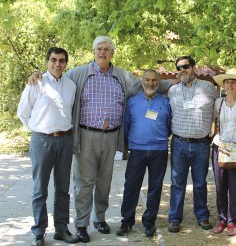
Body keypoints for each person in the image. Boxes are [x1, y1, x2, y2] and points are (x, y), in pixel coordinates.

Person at [28, 36, 172, 242]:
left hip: (111, 136)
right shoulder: (78, 74)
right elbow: (55, 78)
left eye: (107, 49)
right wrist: (37, 74)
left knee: (104, 181)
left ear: (112, 53)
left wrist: (176, 85)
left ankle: (100, 218)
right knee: (84, 181)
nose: (103, 52)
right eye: (99, 49)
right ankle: (81, 223)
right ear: (93, 52)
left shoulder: (122, 75)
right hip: (86, 135)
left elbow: (147, 84)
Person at [17, 47, 79, 246]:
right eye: (53, 60)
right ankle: (38, 231)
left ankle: (61, 229)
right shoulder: (36, 83)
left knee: (63, 188)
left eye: (61, 60)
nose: (57, 64)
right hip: (42, 141)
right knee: (39, 189)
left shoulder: (71, 85)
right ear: (47, 61)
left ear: (66, 63)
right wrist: (37, 131)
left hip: (65, 140)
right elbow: (23, 113)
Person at [116, 69, 171, 237]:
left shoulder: (166, 102)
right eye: (147, 80)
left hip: (159, 151)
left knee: (155, 188)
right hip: (137, 151)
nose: (150, 83)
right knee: (131, 186)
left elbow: (169, 126)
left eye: (154, 80)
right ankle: (127, 222)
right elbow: (126, 126)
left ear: (159, 82)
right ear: (142, 81)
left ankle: (149, 222)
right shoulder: (132, 102)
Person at [167, 56, 218, 233]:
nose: (183, 70)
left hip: (202, 144)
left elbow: (218, 110)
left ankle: (202, 216)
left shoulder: (208, 87)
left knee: (200, 183)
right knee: (177, 182)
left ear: (193, 67)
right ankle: (174, 218)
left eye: (186, 66)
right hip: (179, 143)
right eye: (179, 68)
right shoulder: (172, 90)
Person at [211, 68, 236, 236]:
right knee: (221, 186)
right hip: (220, 148)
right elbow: (214, 123)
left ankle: (231, 221)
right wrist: (218, 140)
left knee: (235, 186)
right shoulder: (218, 103)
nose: (230, 84)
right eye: (227, 82)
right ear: (224, 85)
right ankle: (221, 218)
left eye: (233, 82)